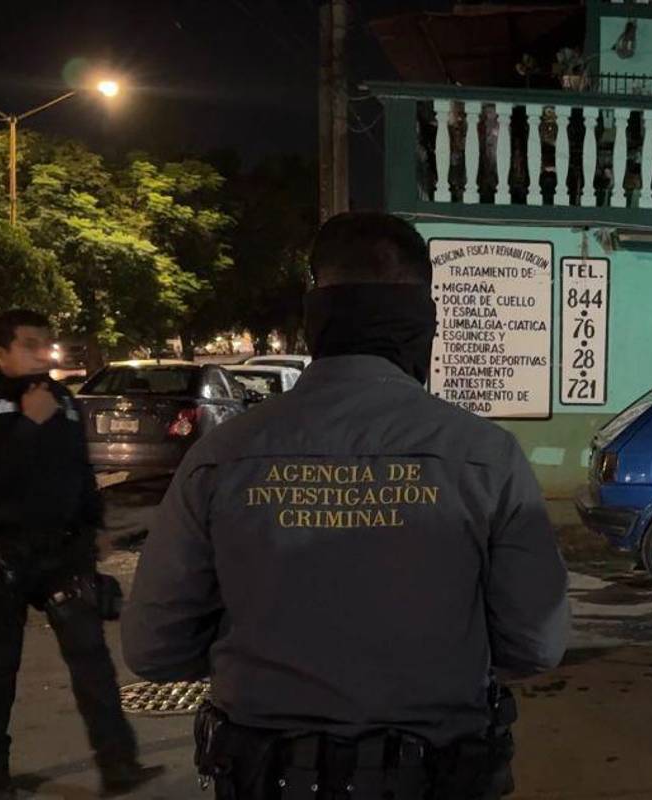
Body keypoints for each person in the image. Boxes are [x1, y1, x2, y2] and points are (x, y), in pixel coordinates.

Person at [122, 212, 570, 799]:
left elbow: (155, 648)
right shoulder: (485, 457)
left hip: (266, 777)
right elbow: (535, 644)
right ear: (422, 320)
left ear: (316, 320)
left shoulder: (222, 457)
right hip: (435, 775)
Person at [0, 309, 163, 799]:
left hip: (63, 552)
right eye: (28, 343)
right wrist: (27, 425)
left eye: (45, 342)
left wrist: (95, 527)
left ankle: (119, 764)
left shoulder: (63, 398)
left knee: (91, 659)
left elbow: (78, 468)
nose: (41, 351)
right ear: (0, 353)